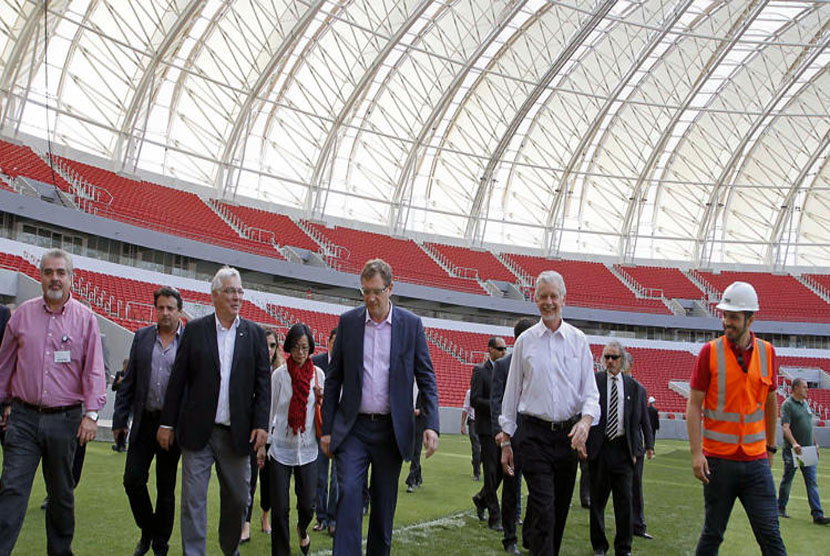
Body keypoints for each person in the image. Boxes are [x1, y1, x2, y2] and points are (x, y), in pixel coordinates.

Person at [320, 258, 440, 556]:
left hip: (391, 432)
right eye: (365, 291)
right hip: (353, 430)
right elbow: (333, 381)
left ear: (391, 288)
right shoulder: (348, 323)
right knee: (347, 495)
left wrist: (432, 425)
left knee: (383, 508)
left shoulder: (411, 325)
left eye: (376, 291)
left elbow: (426, 378)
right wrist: (326, 430)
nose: (371, 298)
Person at [157, 266, 270, 556]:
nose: (237, 297)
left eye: (240, 291)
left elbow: (263, 384)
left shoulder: (255, 334)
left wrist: (261, 424)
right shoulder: (195, 330)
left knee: (238, 499)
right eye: (231, 291)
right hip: (198, 433)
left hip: (237, 433)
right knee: (193, 501)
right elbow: (178, 380)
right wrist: (167, 423)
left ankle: (229, 548)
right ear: (215, 295)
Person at [0, 248, 106, 555]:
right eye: (48, 272)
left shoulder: (86, 319)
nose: (54, 278)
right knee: (11, 488)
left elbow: (94, 369)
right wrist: (3, 403)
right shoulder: (22, 315)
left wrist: (93, 414)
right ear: (41, 277)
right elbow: (5, 364)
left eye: (61, 272)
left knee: (61, 494)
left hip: (66, 420)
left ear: (71, 279)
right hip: (22, 419)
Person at [499, 270, 600, 556]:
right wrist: (506, 439)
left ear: (563, 300)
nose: (548, 302)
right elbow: (512, 391)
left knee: (557, 511)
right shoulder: (525, 342)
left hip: (567, 438)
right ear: (535, 299)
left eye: (553, 296)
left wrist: (586, 421)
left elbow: (591, 393)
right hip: (533, 436)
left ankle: (538, 545)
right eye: (543, 296)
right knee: (544, 509)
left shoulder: (578, 341)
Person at [686, 281, 786, 555]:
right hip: (718, 462)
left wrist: (771, 448)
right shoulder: (709, 352)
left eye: (733, 317)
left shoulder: (768, 352)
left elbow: (770, 402)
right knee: (712, 535)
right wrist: (697, 454)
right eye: (725, 315)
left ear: (750, 319)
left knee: (771, 536)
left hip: (756, 463)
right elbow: (693, 405)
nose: (726, 322)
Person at [112, 286, 184, 556]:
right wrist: (120, 419)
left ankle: (160, 544)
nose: (165, 313)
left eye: (170, 308)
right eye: (161, 307)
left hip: (171, 427)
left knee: (165, 489)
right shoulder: (142, 337)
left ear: (179, 310)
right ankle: (148, 529)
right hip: (143, 423)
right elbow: (128, 383)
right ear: (156, 309)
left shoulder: (188, 341)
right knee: (132, 480)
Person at [257, 323, 325, 555]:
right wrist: (263, 446)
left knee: (308, 505)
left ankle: (302, 529)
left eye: (305, 347)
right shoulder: (279, 376)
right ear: (288, 347)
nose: (300, 352)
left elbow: (323, 411)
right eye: (296, 347)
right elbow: (270, 410)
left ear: (311, 348)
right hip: (280, 449)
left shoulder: (318, 375)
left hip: (307, 450)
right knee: (280, 509)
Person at [587, 341, 653, 556]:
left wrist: (637, 450)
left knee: (624, 502)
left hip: (623, 451)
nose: (609, 361)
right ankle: (599, 546)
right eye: (606, 357)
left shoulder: (633, 387)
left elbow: (636, 421)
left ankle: (623, 548)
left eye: (614, 357)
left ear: (622, 360)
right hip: (600, 448)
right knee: (597, 501)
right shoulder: (594, 382)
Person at [491, 318, 535, 555]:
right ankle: (510, 538)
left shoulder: (539, 363)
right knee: (510, 488)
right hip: (512, 436)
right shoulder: (504, 365)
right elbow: (497, 400)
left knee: (537, 488)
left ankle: (528, 534)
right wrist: (500, 431)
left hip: (535, 436)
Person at [242, 328, 283, 542]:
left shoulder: (281, 372)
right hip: (251, 430)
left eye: (273, 345)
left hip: (273, 434)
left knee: (268, 481)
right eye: (265, 344)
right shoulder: (249, 368)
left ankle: (264, 515)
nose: (268, 349)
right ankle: (245, 523)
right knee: (249, 477)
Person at [777, 377, 830, 525]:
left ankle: (817, 515)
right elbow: (785, 427)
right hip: (793, 451)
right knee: (788, 479)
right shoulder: (787, 405)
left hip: (808, 450)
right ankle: (780, 507)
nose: (807, 389)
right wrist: (794, 444)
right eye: (804, 387)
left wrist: (815, 444)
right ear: (795, 388)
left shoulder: (806, 404)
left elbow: (808, 427)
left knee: (812, 482)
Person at [471, 336, 508, 531]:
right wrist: (495, 405)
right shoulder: (479, 371)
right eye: (500, 349)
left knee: (501, 473)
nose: (503, 352)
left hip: (504, 429)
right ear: (491, 350)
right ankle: (495, 517)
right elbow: (475, 400)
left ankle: (481, 499)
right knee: (491, 473)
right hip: (486, 430)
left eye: (505, 349)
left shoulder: (507, 371)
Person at [623, 350, 655, 541]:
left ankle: (638, 525)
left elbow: (645, 421)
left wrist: (649, 445)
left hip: (634, 447)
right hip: (613, 446)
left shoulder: (639, 390)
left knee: (636, 486)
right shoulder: (610, 387)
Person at [311, 329, 338, 536]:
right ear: (327, 342)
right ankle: (320, 517)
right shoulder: (316, 362)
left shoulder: (348, 363)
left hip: (340, 429)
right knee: (320, 476)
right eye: (334, 342)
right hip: (320, 426)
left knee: (336, 478)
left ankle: (333, 519)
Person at [405, 385, 428, 493]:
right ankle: (418, 477)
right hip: (408, 423)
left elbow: (428, 408)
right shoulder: (407, 386)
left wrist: (419, 411)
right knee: (412, 452)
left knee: (416, 453)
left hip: (418, 425)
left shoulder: (424, 390)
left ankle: (410, 481)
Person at [461, 388, 481, 481]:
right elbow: (465, 408)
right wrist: (463, 425)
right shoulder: (470, 392)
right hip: (473, 421)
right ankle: (477, 473)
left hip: (484, 422)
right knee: (476, 447)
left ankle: (476, 461)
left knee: (484, 449)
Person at [112, 358, 129, 452]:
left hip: (128, 403)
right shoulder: (119, 374)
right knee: (118, 425)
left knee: (125, 426)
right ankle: (118, 444)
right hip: (119, 401)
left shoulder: (131, 375)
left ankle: (123, 444)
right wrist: (119, 382)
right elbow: (114, 388)